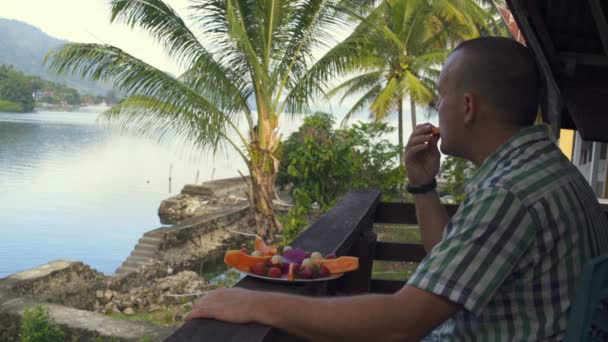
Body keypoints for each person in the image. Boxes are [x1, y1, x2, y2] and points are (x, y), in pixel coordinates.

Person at [185, 37, 608, 341]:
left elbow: (400, 323)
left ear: (466, 107)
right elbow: (454, 261)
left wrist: (254, 304)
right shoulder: (546, 169)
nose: (435, 109)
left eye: (440, 97)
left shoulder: (509, 193)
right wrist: (423, 186)